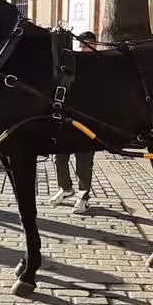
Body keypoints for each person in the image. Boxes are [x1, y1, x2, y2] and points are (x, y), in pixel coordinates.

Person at [50, 31, 97, 215]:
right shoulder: (75, 63)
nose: (84, 49)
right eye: (82, 45)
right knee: (59, 156)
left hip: (88, 120)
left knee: (83, 161)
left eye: (88, 45)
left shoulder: (99, 65)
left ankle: (84, 197)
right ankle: (65, 188)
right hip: (69, 118)